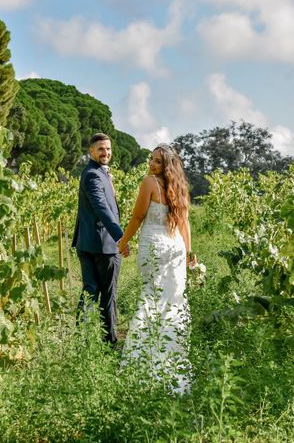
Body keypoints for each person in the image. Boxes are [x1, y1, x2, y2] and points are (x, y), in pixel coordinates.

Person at [117, 143, 196, 394]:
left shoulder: (149, 182)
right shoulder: (179, 187)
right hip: (175, 248)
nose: (152, 165)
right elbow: (185, 224)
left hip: (155, 247)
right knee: (172, 302)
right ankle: (170, 358)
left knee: (152, 298)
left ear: (166, 165)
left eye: (157, 161)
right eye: (151, 160)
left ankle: (144, 363)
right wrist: (188, 251)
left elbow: (138, 217)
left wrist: (123, 241)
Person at [72, 133, 128, 345]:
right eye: (101, 149)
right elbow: (102, 208)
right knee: (107, 296)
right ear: (91, 151)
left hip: (87, 243)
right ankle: (110, 344)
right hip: (103, 246)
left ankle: (82, 342)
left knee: (89, 293)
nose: (106, 153)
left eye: (108, 149)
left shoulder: (95, 172)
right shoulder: (94, 175)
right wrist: (121, 238)